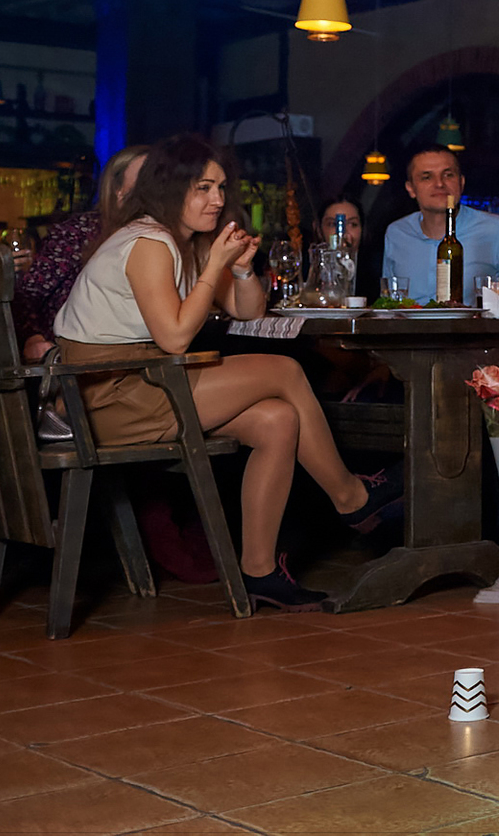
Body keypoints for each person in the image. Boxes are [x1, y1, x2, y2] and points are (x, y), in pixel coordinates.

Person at [53, 135, 403, 609]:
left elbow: (248, 311)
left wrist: (237, 269)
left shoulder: (182, 242)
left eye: (220, 187)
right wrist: (212, 264)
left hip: (144, 381)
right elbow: (176, 338)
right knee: (284, 369)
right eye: (203, 188)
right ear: (170, 188)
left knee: (278, 419)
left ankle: (259, 572)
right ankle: (351, 498)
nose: (217, 199)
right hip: (105, 397)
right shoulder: (148, 242)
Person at [15, 144, 148, 363]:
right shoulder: (80, 231)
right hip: (68, 356)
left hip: (134, 351)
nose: (154, 185)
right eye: (145, 176)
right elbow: (27, 294)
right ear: (118, 188)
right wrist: (33, 338)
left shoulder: (158, 236)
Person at [381, 146, 499, 303]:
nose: (439, 184)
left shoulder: (497, 231)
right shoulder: (396, 233)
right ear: (411, 189)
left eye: (448, 175)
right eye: (427, 177)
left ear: (461, 183)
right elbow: (388, 303)